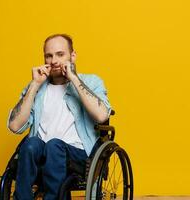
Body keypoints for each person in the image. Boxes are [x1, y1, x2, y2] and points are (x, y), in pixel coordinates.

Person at [7, 33, 112, 200]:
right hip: (41, 153)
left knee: (54, 145)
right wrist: (34, 84)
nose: (54, 61)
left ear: (73, 56)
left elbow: (101, 115)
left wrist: (74, 78)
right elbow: (14, 126)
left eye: (60, 54)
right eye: (49, 56)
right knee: (31, 143)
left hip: (78, 154)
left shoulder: (91, 81)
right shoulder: (38, 87)